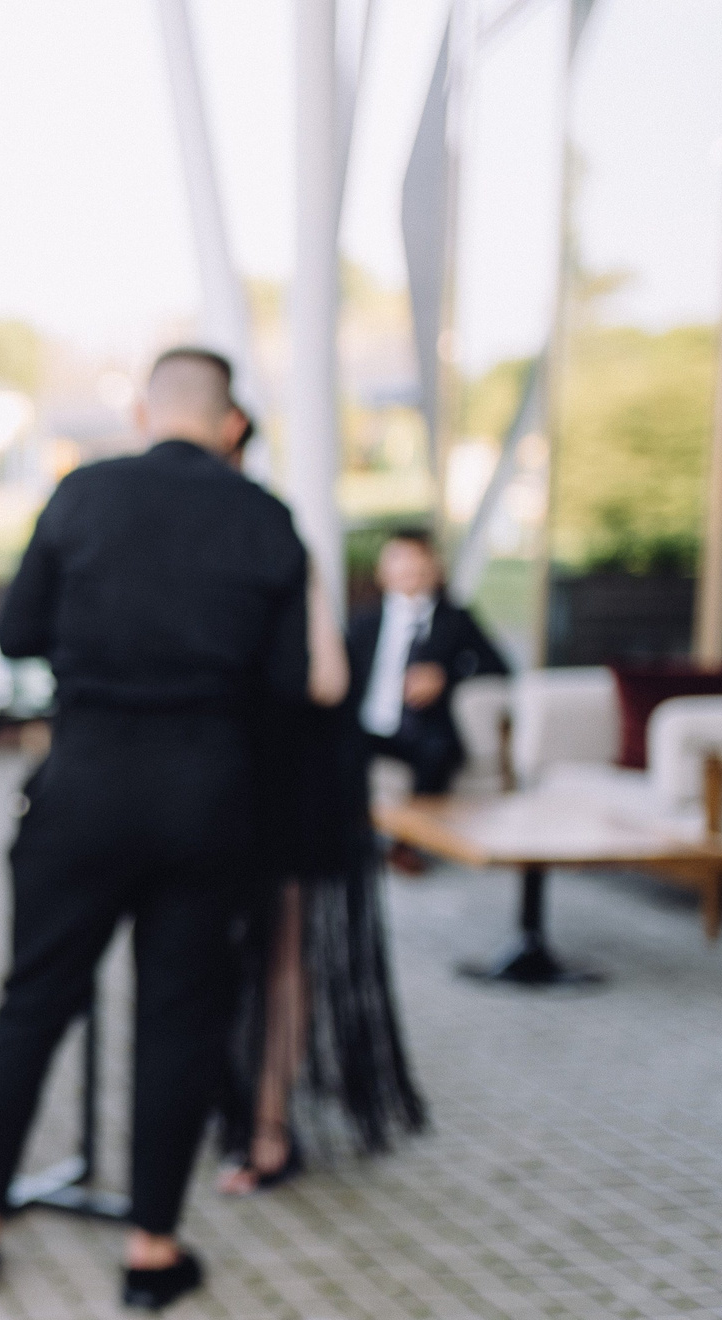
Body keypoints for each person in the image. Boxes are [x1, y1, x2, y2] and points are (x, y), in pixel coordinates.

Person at [0, 347, 309, 1312]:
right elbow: (287, 687)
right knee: (179, 1019)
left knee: (33, 1001)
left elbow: (18, 634)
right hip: (210, 797)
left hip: (88, 786)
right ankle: (151, 1250)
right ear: (232, 423)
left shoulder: (83, 494)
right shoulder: (268, 520)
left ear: (148, 410)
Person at [216, 433, 427, 1193]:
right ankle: (245, 1111)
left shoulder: (278, 543)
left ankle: (267, 1122)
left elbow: (329, 678)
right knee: (241, 954)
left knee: (280, 953)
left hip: (291, 776)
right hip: (231, 778)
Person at [349, 527, 510, 798]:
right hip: (370, 726)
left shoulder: (455, 619)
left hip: (422, 731)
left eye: (419, 557)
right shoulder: (364, 622)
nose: (411, 566)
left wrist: (445, 676)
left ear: (435, 568)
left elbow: (499, 665)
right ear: (382, 571)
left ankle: (418, 833)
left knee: (438, 752)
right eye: (400, 558)